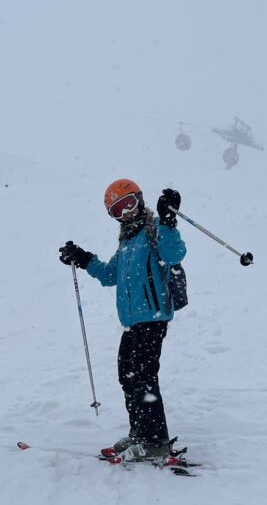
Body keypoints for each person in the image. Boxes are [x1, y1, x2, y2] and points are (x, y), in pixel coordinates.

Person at [58, 181, 186, 463]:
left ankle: (156, 442)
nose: (126, 212)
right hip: (132, 322)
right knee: (127, 373)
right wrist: (83, 258)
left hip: (153, 318)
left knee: (144, 377)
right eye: (118, 209)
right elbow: (109, 275)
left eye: (130, 203)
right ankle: (140, 432)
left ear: (140, 201)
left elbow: (175, 253)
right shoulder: (128, 241)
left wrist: (168, 221)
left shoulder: (154, 230)